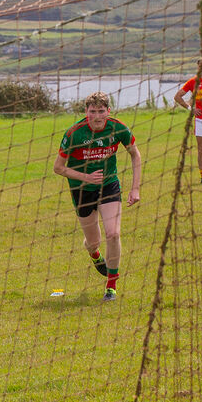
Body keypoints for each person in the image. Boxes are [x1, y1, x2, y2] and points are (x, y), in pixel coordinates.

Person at [53, 91, 141, 303]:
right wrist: (86, 177)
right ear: (86, 112)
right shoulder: (74, 133)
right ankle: (94, 254)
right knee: (94, 242)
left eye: (101, 111)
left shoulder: (118, 128)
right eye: (93, 111)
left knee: (113, 233)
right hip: (81, 189)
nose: (98, 116)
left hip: (109, 184)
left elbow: (135, 155)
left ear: (108, 111)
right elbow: (58, 168)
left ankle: (111, 285)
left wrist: (135, 188)